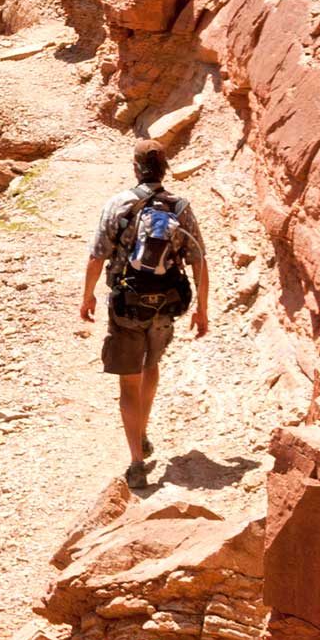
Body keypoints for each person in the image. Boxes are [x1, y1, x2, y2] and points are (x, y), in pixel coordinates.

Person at [79, 139, 209, 487]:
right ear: (165, 169)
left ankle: (137, 461)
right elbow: (198, 259)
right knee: (151, 365)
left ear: (136, 168)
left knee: (128, 382)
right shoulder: (180, 208)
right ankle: (143, 431)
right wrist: (202, 309)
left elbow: (97, 256)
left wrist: (87, 295)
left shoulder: (119, 204)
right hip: (166, 306)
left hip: (127, 306)